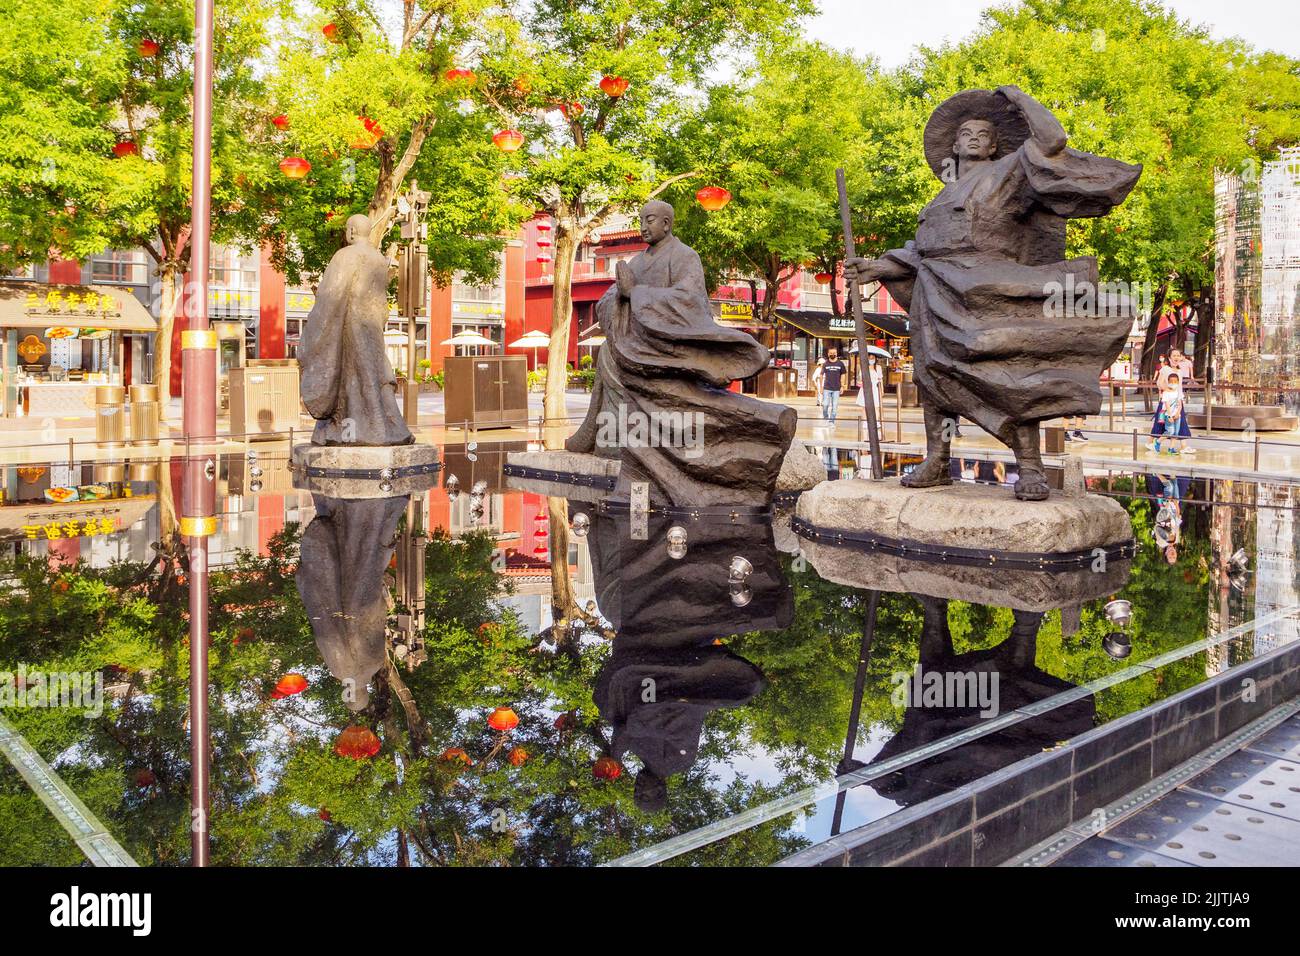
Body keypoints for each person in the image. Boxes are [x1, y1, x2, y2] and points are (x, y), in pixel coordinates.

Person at [842, 85, 1140, 501]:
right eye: (966, 132)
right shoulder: (939, 198)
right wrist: (876, 267)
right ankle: (937, 460)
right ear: (954, 145)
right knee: (933, 376)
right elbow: (920, 254)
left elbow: (1052, 141)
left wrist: (1018, 99)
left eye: (984, 133)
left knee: (1007, 377)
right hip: (938, 293)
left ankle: (1031, 467)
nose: (974, 137)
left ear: (996, 145)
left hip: (988, 288)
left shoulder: (1008, 173)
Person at [299, 213, 414, 446]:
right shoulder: (379, 259)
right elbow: (381, 300)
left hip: (349, 326)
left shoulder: (344, 256)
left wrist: (316, 329)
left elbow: (331, 295)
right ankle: (385, 427)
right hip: (372, 327)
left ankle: (355, 430)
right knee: (374, 374)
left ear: (351, 231)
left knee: (352, 376)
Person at [1148, 369, 1193, 455]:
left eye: (1175, 381)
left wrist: (1178, 413)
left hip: (1177, 415)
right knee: (1170, 431)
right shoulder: (1166, 393)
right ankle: (1157, 442)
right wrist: (1170, 415)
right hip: (1168, 415)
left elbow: (1180, 404)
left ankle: (1171, 448)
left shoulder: (1178, 392)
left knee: (1176, 433)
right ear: (1168, 382)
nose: (1173, 383)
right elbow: (1167, 405)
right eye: (1171, 381)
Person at [814, 347, 847, 424]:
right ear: (828, 354)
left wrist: (842, 386)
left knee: (834, 406)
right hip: (827, 388)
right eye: (831, 353)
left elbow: (843, 374)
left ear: (836, 353)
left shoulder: (840, 364)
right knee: (825, 405)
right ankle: (826, 417)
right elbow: (821, 375)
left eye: (834, 353)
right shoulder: (825, 364)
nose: (832, 354)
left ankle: (831, 421)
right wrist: (821, 387)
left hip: (837, 388)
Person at [855, 353, 885, 433]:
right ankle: (865, 422)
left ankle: (876, 422)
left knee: (876, 406)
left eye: (873, 358)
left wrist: (882, 389)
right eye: (870, 358)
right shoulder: (863, 368)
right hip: (865, 388)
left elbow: (880, 379)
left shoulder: (878, 368)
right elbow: (860, 379)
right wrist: (860, 381)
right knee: (864, 407)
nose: (871, 359)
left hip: (875, 389)